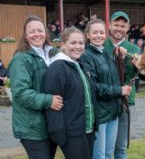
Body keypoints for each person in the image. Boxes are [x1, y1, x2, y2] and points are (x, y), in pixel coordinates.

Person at [8, 15, 63, 159]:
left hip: (51, 123)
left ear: (46, 33)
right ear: (25, 36)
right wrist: (49, 100)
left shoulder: (54, 54)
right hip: (32, 127)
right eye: (32, 31)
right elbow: (20, 93)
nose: (37, 34)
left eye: (40, 30)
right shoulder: (21, 59)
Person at [80, 19, 132, 159]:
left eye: (101, 32)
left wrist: (121, 60)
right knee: (99, 156)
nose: (98, 35)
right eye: (95, 32)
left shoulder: (107, 55)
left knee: (108, 154)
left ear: (106, 34)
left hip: (113, 113)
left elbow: (116, 79)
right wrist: (119, 91)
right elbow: (94, 88)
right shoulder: (86, 56)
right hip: (99, 116)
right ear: (88, 35)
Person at [43, 26, 98, 159]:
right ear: (62, 44)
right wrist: (59, 134)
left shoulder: (79, 65)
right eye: (73, 43)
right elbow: (53, 104)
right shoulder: (57, 68)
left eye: (81, 43)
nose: (78, 46)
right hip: (72, 132)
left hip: (87, 128)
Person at [104, 11, 140, 159]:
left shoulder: (134, 49)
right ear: (109, 25)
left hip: (124, 101)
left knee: (120, 147)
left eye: (122, 26)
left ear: (128, 28)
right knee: (104, 147)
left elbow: (142, 74)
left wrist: (138, 66)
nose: (119, 28)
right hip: (104, 100)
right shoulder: (102, 45)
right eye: (116, 25)